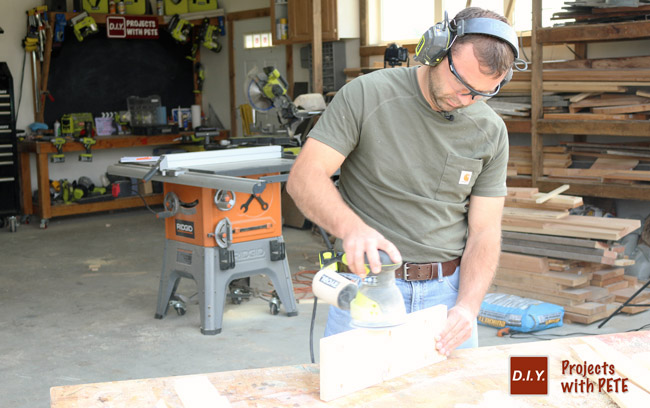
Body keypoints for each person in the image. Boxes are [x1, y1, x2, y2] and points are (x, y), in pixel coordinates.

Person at [286, 7, 518, 355]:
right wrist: (351, 228)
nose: (466, 99)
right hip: (367, 286)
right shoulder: (366, 95)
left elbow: (485, 230)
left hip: (446, 297)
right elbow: (305, 177)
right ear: (436, 49)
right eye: (461, 83)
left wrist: (468, 307)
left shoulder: (489, 130)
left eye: (482, 92)